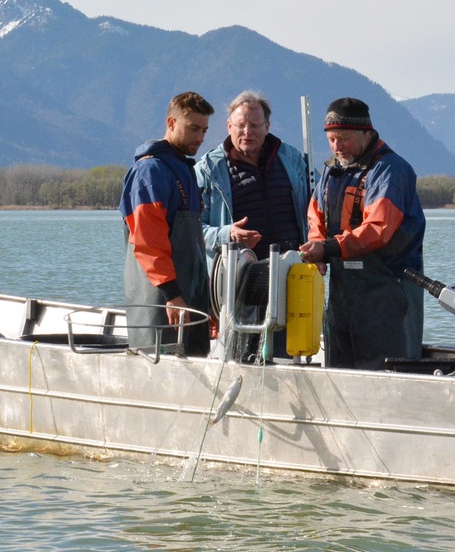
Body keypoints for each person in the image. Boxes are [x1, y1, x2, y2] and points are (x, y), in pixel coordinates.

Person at [299, 98, 425, 370]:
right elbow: (315, 214)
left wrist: (328, 249)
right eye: (332, 139)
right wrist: (317, 246)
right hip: (343, 294)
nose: (336, 146)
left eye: (343, 138)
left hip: (389, 291)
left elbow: (378, 228)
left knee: (389, 371)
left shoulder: (391, 170)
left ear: (366, 133)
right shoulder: (332, 172)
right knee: (339, 367)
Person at [194, 91, 311, 360]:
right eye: (241, 125)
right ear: (229, 127)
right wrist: (227, 233)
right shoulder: (207, 170)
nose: (248, 132)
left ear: (267, 127)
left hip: (291, 277)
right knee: (240, 357)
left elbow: (314, 211)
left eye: (255, 125)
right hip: (238, 286)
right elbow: (192, 230)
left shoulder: (292, 160)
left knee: (288, 355)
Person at [120, 91, 215, 356]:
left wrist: (205, 301)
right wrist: (172, 295)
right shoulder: (149, 172)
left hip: (190, 299)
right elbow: (148, 242)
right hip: (160, 302)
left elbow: (193, 247)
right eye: (193, 128)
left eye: (205, 130)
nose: (200, 138)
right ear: (171, 123)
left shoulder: (184, 169)